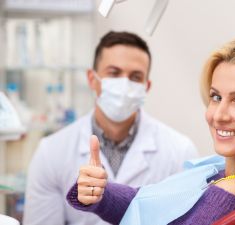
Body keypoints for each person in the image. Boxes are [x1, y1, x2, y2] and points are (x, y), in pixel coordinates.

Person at [66, 35, 235, 225]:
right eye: (216, 97)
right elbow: (146, 203)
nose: (219, 115)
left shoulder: (231, 194)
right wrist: (99, 193)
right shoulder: (225, 175)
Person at [23, 31, 198, 225]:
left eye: (135, 77)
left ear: (146, 87)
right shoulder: (51, 152)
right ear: (92, 79)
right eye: (114, 73)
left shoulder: (179, 151)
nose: (124, 84)